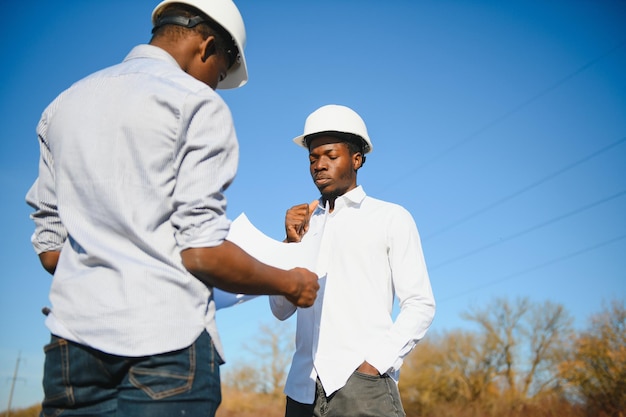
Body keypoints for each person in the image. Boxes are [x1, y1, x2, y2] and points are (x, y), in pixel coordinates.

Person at [25, 1, 319, 416]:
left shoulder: (61, 107)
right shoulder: (195, 103)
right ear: (207, 45)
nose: (214, 87)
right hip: (166, 349)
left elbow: (51, 251)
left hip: (72, 349)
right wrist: (290, 283)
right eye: (218, 75)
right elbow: (201, 252)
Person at [269, 104, 436, 417]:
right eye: (313, 157)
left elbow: (420, 304)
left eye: (330, 156)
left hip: (363, 388)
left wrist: (374, 366)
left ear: (357, 158)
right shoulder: (303, 226)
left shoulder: (390, 218)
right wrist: (290, 246)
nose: (319, 165)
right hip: (301, 391)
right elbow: (280, 310)